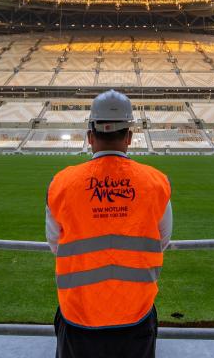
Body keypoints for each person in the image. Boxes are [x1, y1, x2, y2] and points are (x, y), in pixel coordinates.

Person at [46, 89, 172, 358]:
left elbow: (55, 244)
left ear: (90, 135)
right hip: (136, 315)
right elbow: (162, 240)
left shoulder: (61, 183)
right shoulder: (156, 182)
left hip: (78, 316)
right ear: (129, 136)